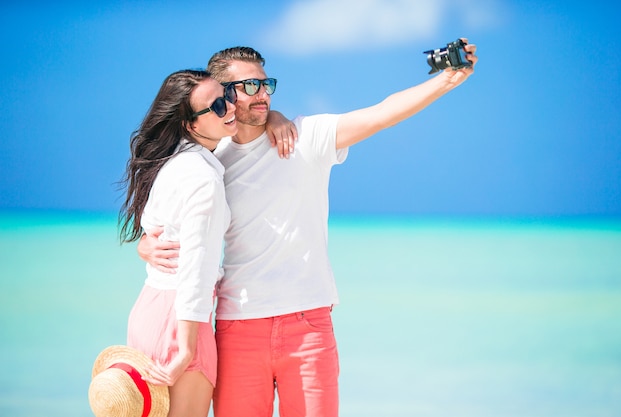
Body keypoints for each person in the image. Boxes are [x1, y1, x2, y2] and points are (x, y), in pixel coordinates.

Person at [139, 41, 478, 417]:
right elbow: (176, 218)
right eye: (250, 86)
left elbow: (381, 114)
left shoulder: (307, 137)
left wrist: (448, 80)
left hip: (309, 327)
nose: (263, 93)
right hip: (236, 327)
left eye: (267, 85)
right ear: (226, 97)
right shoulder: (213, 160)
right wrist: (146, 245)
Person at [118, 69, 237, 417]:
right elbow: (196, 267)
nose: (230, 106)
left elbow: (153, 228)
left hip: (149, 309)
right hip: (183, 320)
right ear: (190, 124)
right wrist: (187, 349)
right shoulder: (203, 179)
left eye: (227, 95)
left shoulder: (173, 162)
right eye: (217, 105)